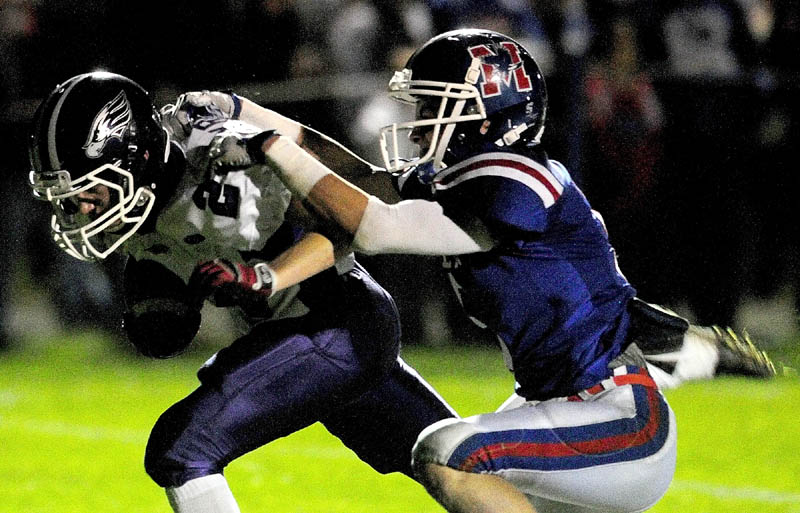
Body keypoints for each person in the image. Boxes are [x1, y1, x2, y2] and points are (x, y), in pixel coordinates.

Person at [194, 29, 782, 512]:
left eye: (436, 107)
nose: (422, 123)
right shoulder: (466, 177)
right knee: (450, 462)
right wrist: (242, 114)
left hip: (617, 420)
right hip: (561, 404)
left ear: (490, 116)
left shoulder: (517, 182)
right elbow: (352, 178)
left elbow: (371, 224)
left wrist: (272, 148)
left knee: (448, 450)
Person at [27, 71, 459, 513]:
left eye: (89, 189)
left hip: (336, 328)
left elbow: (350, 221)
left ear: (136, 158)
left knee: (181, 450)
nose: (80, 208)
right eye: (68, 197)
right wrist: (163, 306)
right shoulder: (142, 199)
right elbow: (164, 283)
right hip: (313, 340)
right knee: (456, 464)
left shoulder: (223, 156)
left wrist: (267, 275)